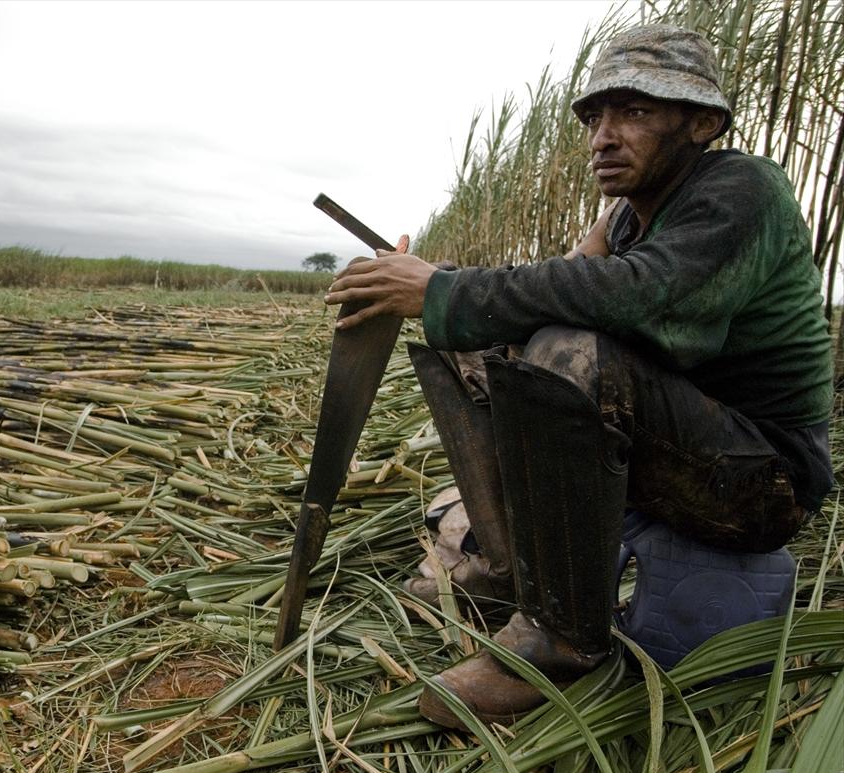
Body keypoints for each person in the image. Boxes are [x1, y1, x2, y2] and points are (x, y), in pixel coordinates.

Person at [324, 23, 834, 729]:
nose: (603, 135)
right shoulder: (629, 217)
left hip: (764, 482)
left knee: (565, 351)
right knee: (473, 343)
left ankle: (562, 638)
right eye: (595, 116)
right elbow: (558, 283)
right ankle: (507, 565)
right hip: (683, 446)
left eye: (635, 112)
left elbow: (625, 294)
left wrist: (444, 287)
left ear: (702, 122)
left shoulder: (742, 193)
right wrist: (423, 284)